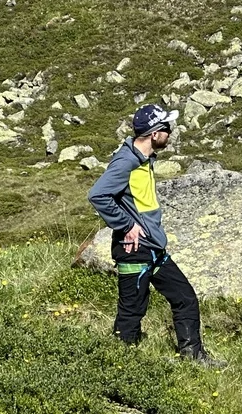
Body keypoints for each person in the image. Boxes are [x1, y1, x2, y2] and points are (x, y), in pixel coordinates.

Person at [87, 104, 224, 368]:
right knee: (131, 312)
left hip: (154, 247)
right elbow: (97, 195)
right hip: (135, 249)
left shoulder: (142, 159)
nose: (170, 133)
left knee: (185, 298)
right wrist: (127, 225)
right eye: (166, 129)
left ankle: (194, 357)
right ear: (154, 134)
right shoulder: (126, 161)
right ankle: (117, 367)